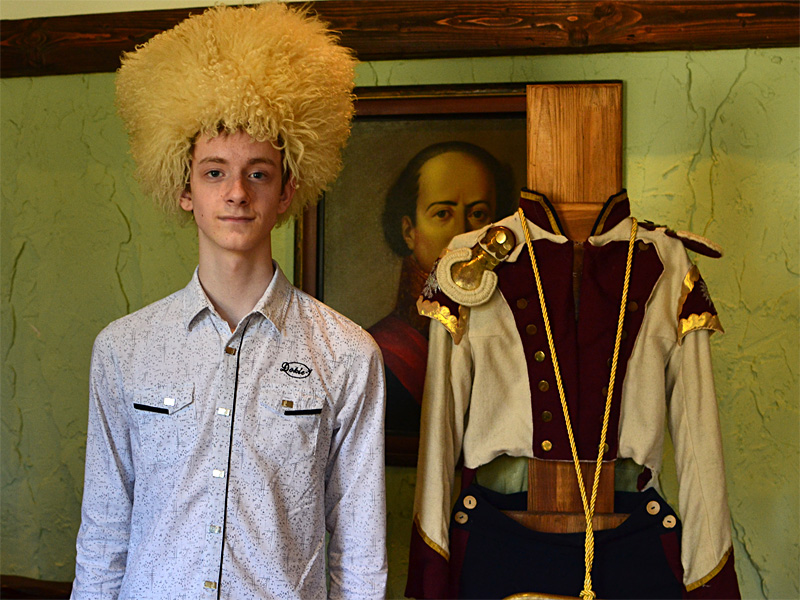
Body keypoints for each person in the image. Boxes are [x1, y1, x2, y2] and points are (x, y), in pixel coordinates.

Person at [71, 4, 386, 599]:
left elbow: (360, 551)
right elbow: (104, 536)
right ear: (184, 188)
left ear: (287, 191)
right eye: (214, 172)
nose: (237, 193)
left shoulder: (347, 353)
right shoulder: (123, 350)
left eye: (258, 173)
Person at [369, 142, 514, 441]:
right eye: (442, 213)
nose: (462, 231)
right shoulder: (381, 353)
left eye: (478, 213)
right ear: (409, 231)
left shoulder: (513, 338)